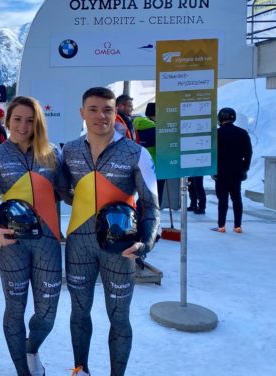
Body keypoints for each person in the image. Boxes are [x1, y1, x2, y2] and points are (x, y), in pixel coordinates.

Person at [62, 87, 160, 376]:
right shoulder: (69, 150)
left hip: (120, 249)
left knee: (119, 318)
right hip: (78, 244)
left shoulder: (135, 152)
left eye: (107, 109)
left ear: (115, 112)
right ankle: (80, 370)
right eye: (92, 109)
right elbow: (62, 190)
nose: (100, 116)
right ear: (82, 113)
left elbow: (151, 205)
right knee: (79, 313)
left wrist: (145, 243)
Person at [0, 96, 68, 376]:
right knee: (15, 309)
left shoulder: (53, 153)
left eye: (30, 119)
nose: (23, 125)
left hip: (47, 243)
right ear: (7, 122)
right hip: (11, 244)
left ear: (38, 122)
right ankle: (23, 371)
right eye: (17, 119)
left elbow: (69, 192)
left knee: (47, 314)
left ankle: (30, 349)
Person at [212, 107, 252, 233]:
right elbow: (248, 152)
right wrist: (245, 168)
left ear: (220, 118)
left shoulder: (216, 134)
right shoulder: (242, 133)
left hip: (221, 171)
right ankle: (237, 225)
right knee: (237, 198)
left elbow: (212, 153)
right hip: (237, 171)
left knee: (222, 199)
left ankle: (221, 225)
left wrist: (213, 170)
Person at [133, 102, 165, 206]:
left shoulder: (136, 125)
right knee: (156, 198)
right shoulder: (156, 129)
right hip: (157, 166)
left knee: (144, 195)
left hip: (141, 165)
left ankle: (139, 217)